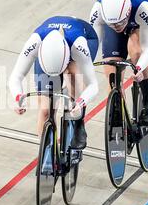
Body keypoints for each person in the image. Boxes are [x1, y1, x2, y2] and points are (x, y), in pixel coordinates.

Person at [8, 16, 99, 150]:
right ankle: (48, 154)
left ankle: (78, 122)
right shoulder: (34, 43)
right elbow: (15, 77)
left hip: (84, 37)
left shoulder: (78, 46)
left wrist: (81, 102)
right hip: (50, 55)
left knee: (72, 73)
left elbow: (93, 85)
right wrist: (18, 98)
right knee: (45, 110)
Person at [90, 0, 148, 126]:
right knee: (111, 67)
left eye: (119, 23)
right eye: (112, 24)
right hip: (119, 17)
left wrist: (138, 67)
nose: (117, 27)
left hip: (137, 22)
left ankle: (147, 100)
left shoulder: (142, 7)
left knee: (137, 50)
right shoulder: (98, 9)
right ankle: (117, 108)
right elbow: (92, 44)